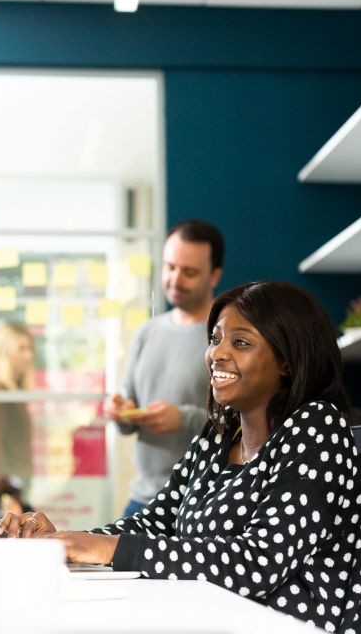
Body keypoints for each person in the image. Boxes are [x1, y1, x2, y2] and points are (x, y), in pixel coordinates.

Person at [0, 282, 361, 634]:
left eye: (240, 342)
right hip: (207, 618)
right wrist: (67, 541)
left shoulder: (317, 426)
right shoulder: (220, 433)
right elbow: (156, 524)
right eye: (215, 339)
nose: (217, 354)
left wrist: (105, 548)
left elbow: (259, 562)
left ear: (288, 360)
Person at [104, 219, 224, 517]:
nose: (175, 279)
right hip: (142, 500)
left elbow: (242, 424)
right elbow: (128, 410)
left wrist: (182, 418)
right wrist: (121, 410)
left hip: (203, 502)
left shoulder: (226, 337)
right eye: (170, 267)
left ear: (215, 276)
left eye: (190, 272)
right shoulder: (146, 333)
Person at [0, 321, 36, 536]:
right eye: (21, 348)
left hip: (12, 493)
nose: (28, 355)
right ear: (4, 351)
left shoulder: (11, 391)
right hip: (4, 499)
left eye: (30, 349)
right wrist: (9, 497)